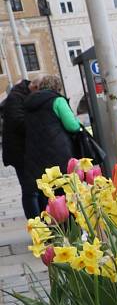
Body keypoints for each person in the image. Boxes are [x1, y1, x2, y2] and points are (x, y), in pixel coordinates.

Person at [23, 75, 81, 214]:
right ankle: (72, 227)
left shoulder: (28, 103)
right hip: (58, 153)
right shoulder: (57, 101)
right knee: (65, 191)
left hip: (36, 155)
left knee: (47, 194)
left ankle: (54, 228)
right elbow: (72, 126)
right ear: (57, 87)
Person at [1, 79, 39, 219]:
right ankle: (36, 226)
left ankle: (41, 224)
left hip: (25, 151)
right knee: (30, 190)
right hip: (20, 153)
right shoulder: (16, 97)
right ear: (34, 87)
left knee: (35, 189)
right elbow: (18, 122)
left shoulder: (22, 94)